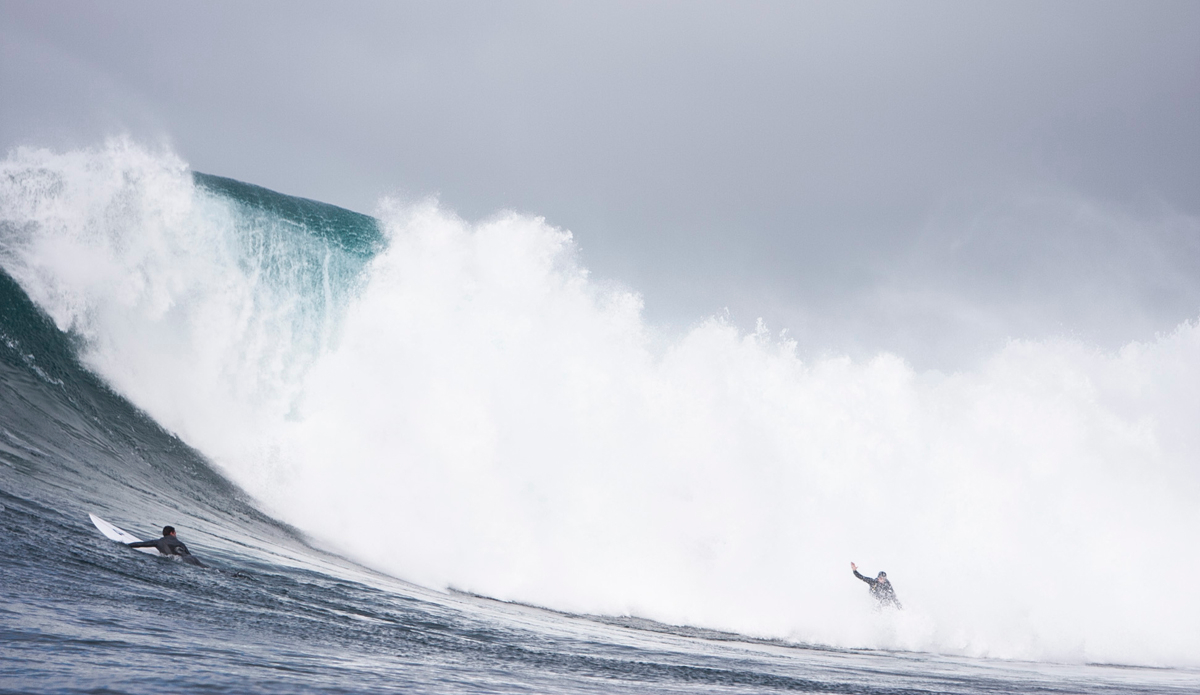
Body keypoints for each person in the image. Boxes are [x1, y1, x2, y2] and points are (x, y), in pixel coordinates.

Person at [127, 525, 205, 567]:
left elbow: (142, 544)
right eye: (175, 533)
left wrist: (127, 545)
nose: (175, 535)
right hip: (191, 558)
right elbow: (189, 554)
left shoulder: (158, 542)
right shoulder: (181, 543)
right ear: (171, 533)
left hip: (180, 560)